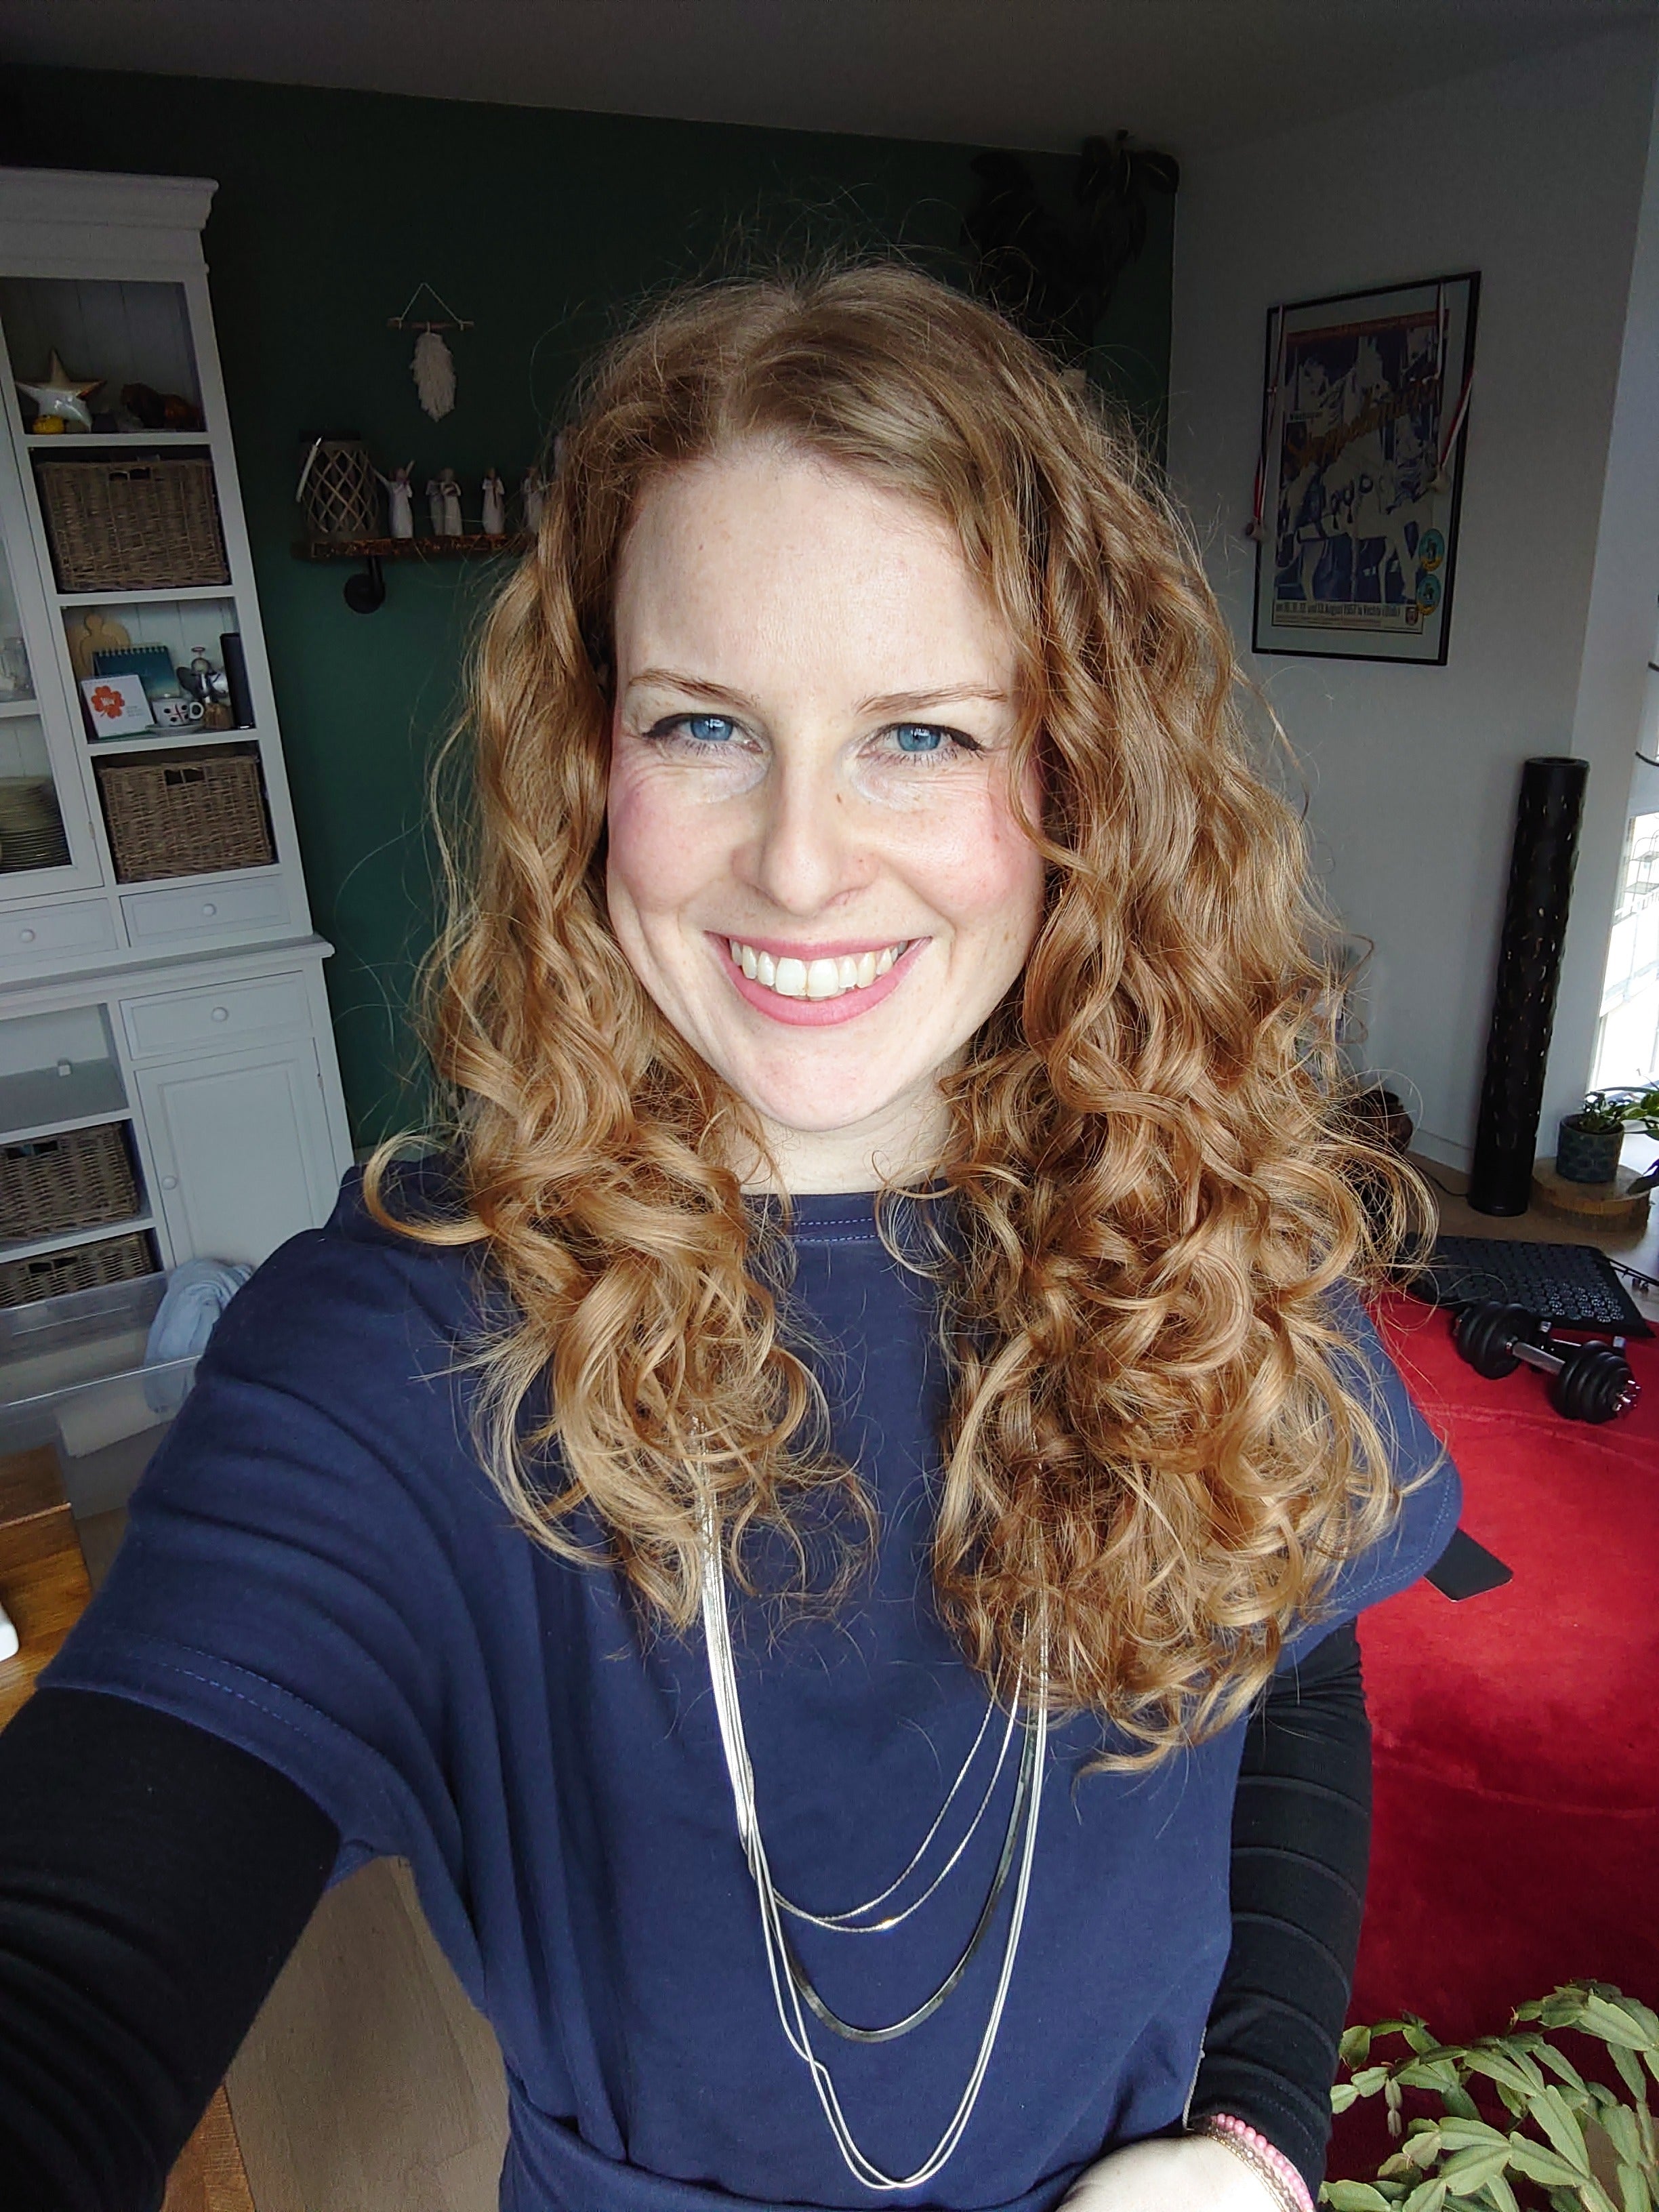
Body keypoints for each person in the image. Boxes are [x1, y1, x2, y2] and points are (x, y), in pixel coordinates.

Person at [0, 264, 1458, 2212]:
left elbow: (1293, 1669)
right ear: (594, 755)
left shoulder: (1215, 1237)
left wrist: (1257, 2141)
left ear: (1077, 771)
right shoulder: (392, 1351)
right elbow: (70, 1969)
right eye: (705, 725)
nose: (797, 860)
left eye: (919, 735)